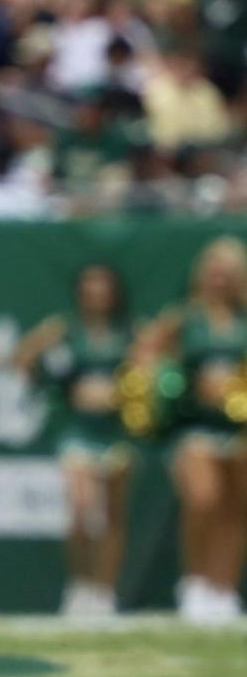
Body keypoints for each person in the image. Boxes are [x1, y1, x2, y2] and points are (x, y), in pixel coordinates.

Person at [133, 238, 247, 624]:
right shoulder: (182, 317)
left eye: (227, 271)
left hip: (239, 428)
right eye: (213, 270)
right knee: (203, 500)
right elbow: (144, 358)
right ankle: (195, 582)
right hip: (193, 427)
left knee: (235, 508)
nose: (219, 278)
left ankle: (224, 586)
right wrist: (174, 381)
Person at [14, 264, 134, 619]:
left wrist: (122, 393)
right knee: (81, 508)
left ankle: (105, 590)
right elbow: (23, 357)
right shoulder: (64, 329)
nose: (96, 294)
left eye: (103, 287)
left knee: (112, 513)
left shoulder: (128, 333)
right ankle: (80, 584)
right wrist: (60, 388)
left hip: (114, 430)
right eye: (89, 287)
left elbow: (151, 367)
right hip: (77, 430)